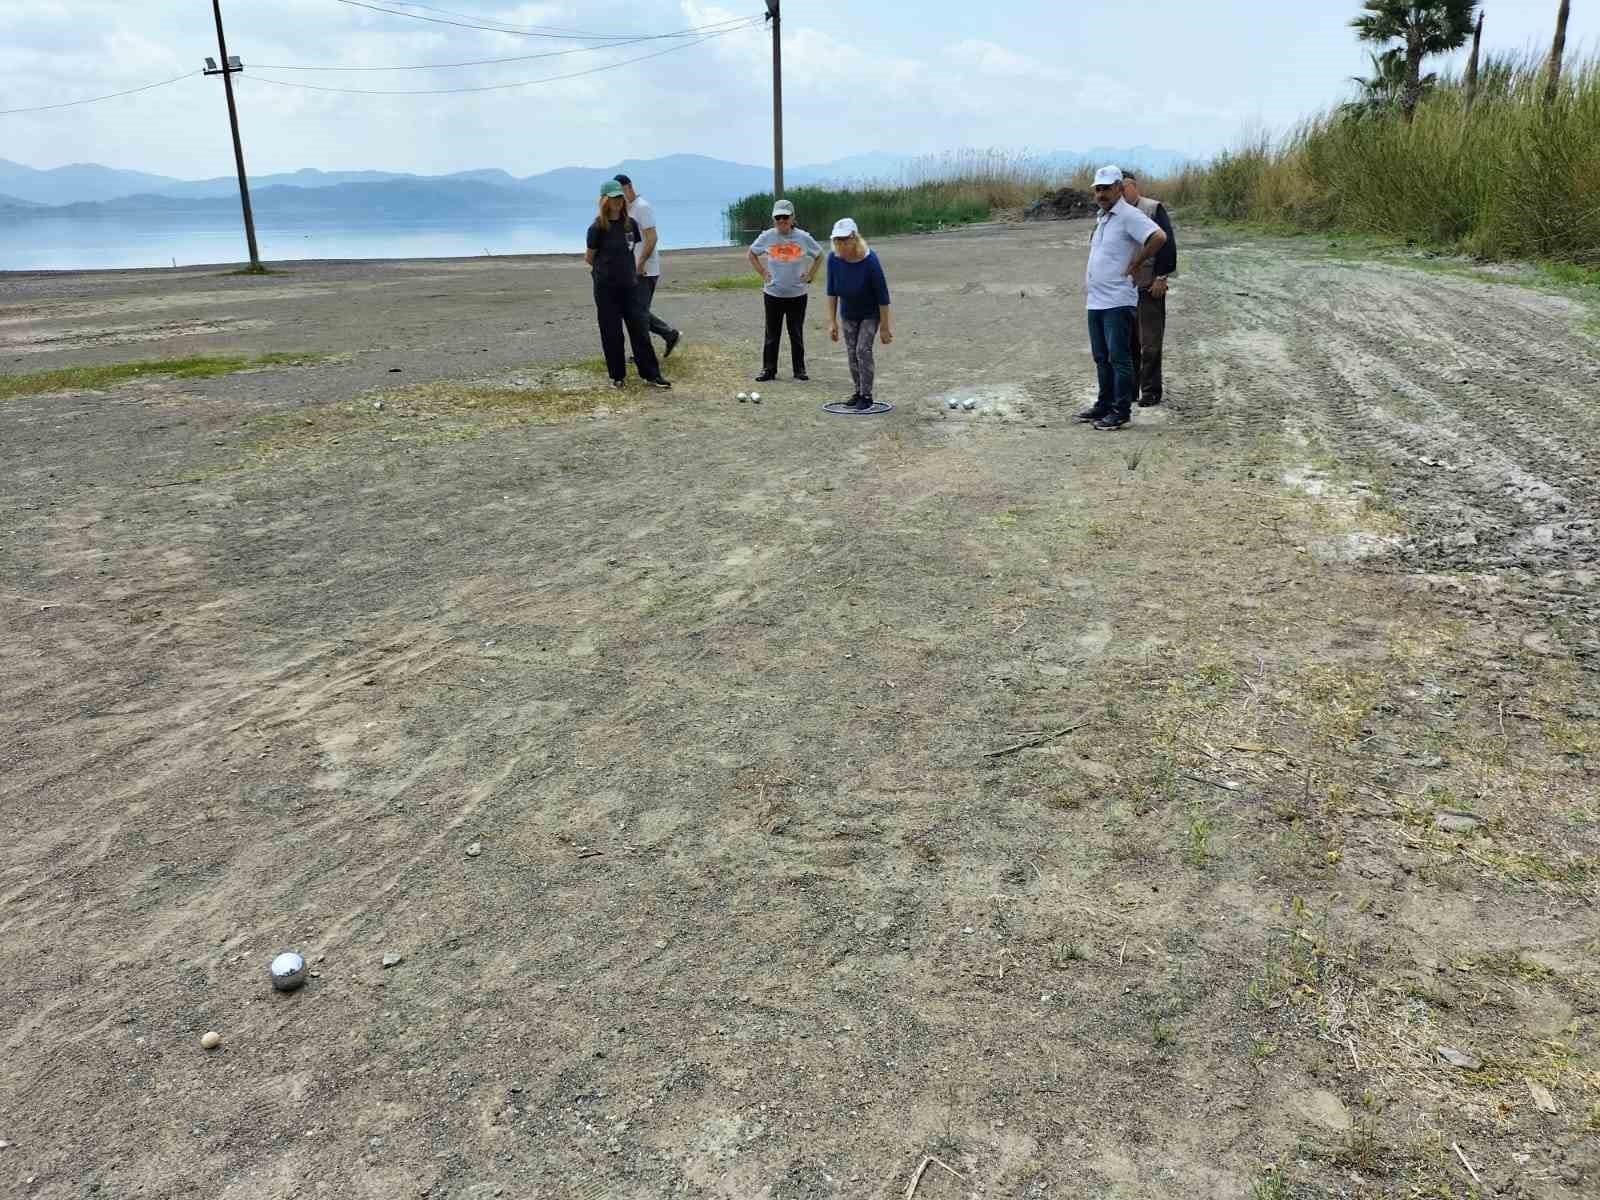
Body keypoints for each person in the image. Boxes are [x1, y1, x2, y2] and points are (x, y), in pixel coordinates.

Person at [1078, 165, 1166, 431]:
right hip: (1096, 300)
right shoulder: (1103, 216)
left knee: (1119, 357)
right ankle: (1104, 404)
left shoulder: (1129, 215)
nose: (1101, 193)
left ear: (1119, 188)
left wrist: (1137, 262)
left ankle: (1121, 409)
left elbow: (1158, 237)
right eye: (1098, 189)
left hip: (1117, 299)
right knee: (1101, 356)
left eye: (1106, 188)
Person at [585, 180, 670, 390]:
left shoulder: (630, 224)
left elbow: (631, 249)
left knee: (640, 329)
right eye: (613, 198)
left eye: (620, 197)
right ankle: (617, 376)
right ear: (605, 200)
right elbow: (589, 258)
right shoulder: (596, 228)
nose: (617, 201)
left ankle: (651, 375)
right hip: (606, 289)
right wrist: (607, 271)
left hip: (630, 285)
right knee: (612, 332)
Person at [749, 198, 823, 382]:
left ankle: (799, 370)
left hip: (797, 295)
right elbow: (752, 254)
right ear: (773, 219)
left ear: (792, 218)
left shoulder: (803, 237)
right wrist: (763, 273)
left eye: (785, 217)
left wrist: (810, 275)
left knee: (796, 333)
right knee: (772, 334)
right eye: (778, 218)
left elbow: (820, 255)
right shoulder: (767, 237)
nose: (782, 221)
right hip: (773, 294)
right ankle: (768, 370)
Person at [1121, 171, 1177, 407]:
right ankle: (1130, 390)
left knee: (1150, 343)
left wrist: (1161, 277)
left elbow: (1167, 245)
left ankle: (1151, 391)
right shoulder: (1114, 213)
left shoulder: (1152, 209)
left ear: (1133, 186)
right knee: (1127, 342)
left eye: (1123, 188)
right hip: (1124, 289)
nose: (1120, 193)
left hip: (1148, 285)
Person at [825, 218, 892, 411]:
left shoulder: (870, 260)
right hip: (848, 313)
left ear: (854, 238)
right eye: (837, 241)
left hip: (870, 313)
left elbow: (883, 296)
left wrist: (885, 328)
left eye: (844, 240)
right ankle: (858, 390)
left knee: (863, 350)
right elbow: (831, 292)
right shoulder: (833, 259)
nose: (840, 245)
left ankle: (867, 395)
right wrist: (832, 322)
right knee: (851, 352)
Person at [614, 173, 682, 360]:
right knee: (634, 311)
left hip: (646, 269)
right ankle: (668, 335)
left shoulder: (642, 207)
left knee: (637, 313)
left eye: (620, 192)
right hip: (631, 268)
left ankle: (646, 352)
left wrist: (641, 262)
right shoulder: (625, 208)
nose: (618, 197)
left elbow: (652, 238)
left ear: (629, 187)